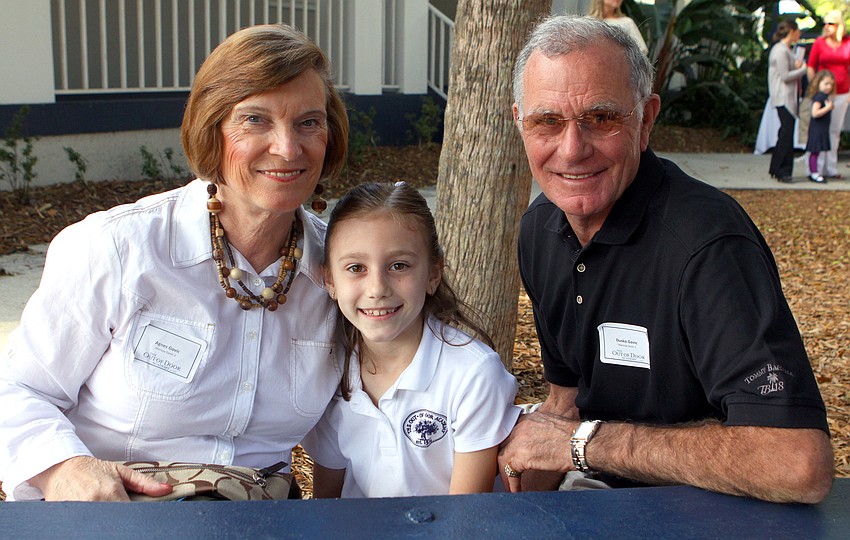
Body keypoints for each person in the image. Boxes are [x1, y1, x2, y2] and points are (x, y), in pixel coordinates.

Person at [0, 23, 349, 501]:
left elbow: (398, 383)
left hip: (266, 520)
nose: (288, 148)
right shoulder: (119, 249)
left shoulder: (344, 271)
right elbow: (17, 388)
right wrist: (64, 468)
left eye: (309, 122)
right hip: (120, 516)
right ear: (212, 129)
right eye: (254, 120)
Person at [498, 15, 833, 504]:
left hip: (712, 513)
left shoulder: (708, 246)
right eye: (547, 121)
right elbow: (566, 401)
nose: (571, 150)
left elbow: (797, 462)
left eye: (601, 118)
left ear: (646, 120)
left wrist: (583, 445)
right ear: (518, 123)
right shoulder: (540, 230)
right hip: (601, 501)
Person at [303, 182, 520, 498]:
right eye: (356, 268)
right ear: (329, 279)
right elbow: (327, 501)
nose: (377, 288)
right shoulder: (330, 369)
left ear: (433, 274)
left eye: (399, 266)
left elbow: (466, 516)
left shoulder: (473, 374)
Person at [807, 10, 850, 179]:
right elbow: (811, 66)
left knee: (835, 131)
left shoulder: (847, 42)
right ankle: (816, 168)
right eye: (825, 23)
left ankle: (830, 167)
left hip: (842, 91)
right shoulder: (819, 43)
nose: (827, 27)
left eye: (831, 23)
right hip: (823, 94)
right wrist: (816, 87)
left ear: (839, 25)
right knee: (819, 130)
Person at [767, 19, 806, 183]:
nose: (800, 35)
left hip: (786, 97)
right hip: (784, 97)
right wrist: (803, 69)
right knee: (786, 134)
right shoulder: (781, 51)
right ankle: (783, 170)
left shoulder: (785, 50)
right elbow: (785, 76)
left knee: (784, 133)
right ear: (792, 31)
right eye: (798, 32)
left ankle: (777, 168)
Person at [805, 70, 835, 184]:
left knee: (817, 151)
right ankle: (813, 172)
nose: (828, 87)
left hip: (822, 128)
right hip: (817, 129)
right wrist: (827, 108)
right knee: (815, 151)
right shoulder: (819, 98)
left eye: (830, 84)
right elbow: (815, 113)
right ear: (818, 83)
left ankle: (815, 171)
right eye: (826, 84)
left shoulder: (825, 97)